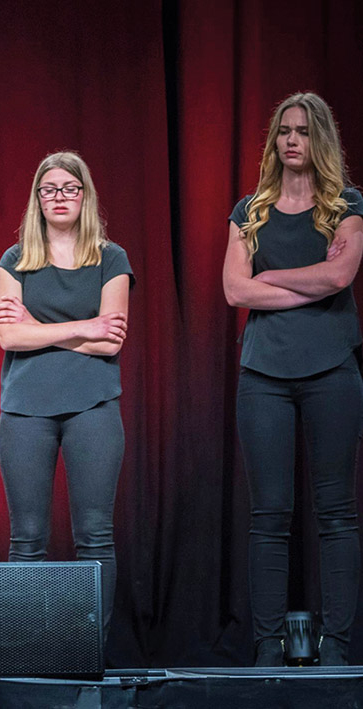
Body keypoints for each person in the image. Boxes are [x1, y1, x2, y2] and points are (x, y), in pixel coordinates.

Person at [221, 92, 363, 667]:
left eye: (302, 131)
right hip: (264, 374)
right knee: (269, 517)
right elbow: (235, 290)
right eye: (284, 130)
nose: (291, 140)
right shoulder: (248, 211)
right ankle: (266, 648)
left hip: (332, 369)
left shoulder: (348, 205)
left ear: (319, 138)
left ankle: (339, 648)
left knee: (336, 514)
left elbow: (340, 276)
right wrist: (308, 278)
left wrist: (271, 274)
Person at [0, 151, 132, 638]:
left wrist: (42, 327)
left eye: (69, 188)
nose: (59, 197)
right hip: (25, 409)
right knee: (27, 538)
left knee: (94, 537)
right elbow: (9, 337)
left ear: (85, 196)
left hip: (93, 406)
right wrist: (83, 327)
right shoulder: (16, 261)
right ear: (37, 199)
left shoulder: (110, 258)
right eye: (48, 189)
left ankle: (89, 650)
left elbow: (111, 339)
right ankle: (28, 650)